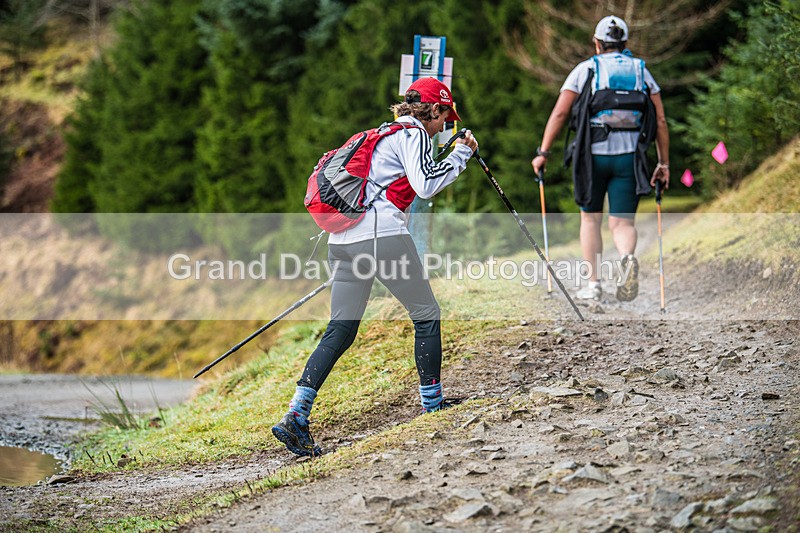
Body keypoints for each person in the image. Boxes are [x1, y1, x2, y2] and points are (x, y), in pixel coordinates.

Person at [272, 77, 478, 457]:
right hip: (382, 237)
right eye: (444, 117)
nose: (444, 125)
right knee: (426, 313)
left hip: (343, 242)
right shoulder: (413, 134)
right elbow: (427, 184)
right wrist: (462, 153)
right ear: (432, 109)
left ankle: (296, 416)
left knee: (341, 329)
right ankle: (433, 405)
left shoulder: (382, 133)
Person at [531, 15, 670, 302]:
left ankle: (593, 285)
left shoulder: (586, 69)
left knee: (590, 220)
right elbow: (660, 120)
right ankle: (627, 257)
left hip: (591, 157)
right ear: (625, 43)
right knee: (622, 223)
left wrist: (544, 152)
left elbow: (560, 113)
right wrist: (663, 163)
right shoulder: (641, 71)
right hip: (630, 158)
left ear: (597, 44)